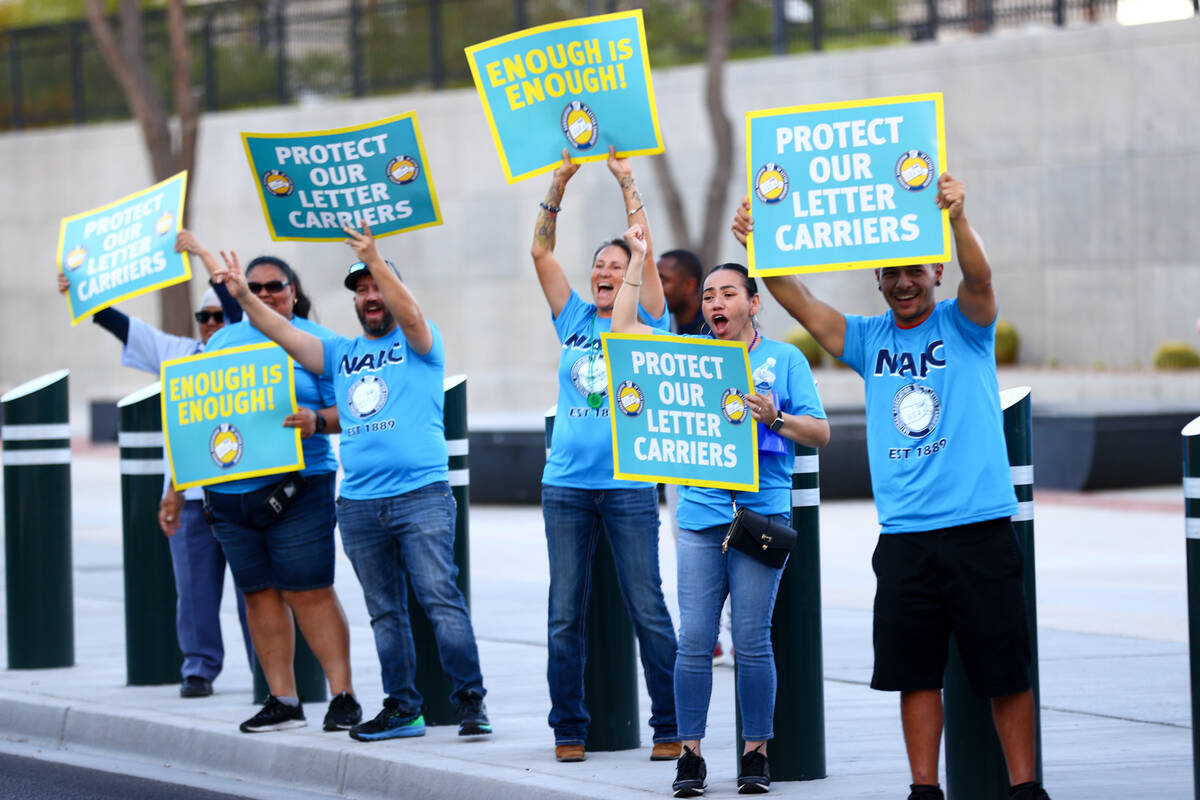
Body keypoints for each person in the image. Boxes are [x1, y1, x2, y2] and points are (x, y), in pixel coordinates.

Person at [732, 173, 1052, 800]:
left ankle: (1026, 789)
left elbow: (982, 281)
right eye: (890, 274)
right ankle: (923, 790)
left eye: (914, 271)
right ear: (877, 281)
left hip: (980, 526)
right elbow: (796, 301)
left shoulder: (967, 324)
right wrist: (760, 245)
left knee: (1005, 671)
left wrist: (959, 219)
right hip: (905, 537)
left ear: (935, 271)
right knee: (915, 675)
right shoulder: (867, 338)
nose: (903, 283)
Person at [212, 225, 493, 742]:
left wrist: (374, 260)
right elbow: (279, 330)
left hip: (420, 497)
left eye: (376, 287)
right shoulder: (339, 353)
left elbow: (408, 311)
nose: (369, 296)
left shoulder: (420, 342)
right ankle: (403, 709)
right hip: (360, 503)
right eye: (361, 290)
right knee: (385, 613)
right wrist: (243, 295)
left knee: (438, 599)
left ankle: (470, 701)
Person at [612, 224, 830, 796]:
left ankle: (755, 754)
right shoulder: (688, 357)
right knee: (694, 639)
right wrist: (638, 258)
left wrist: (776, 419)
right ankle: (690, 755)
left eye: (728, 293)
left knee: (752, 640)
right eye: (708, 296)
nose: (715, 303)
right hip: (702, 516)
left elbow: (822, 432)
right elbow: (623, 330)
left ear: (753, 304)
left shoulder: (785, 361)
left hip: (761, 517)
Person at [530, 147, 680, 763]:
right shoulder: (570, 319)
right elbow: (541, 252)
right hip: (564, 484)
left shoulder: (647, 318)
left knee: (647, 606)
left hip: (627, 486)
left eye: (615, 265)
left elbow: (640, 240)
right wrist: (559, 179)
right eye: (597, 265)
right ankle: (569, 729)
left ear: (633, 275)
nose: (603, 271)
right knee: (565, 612)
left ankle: (670, 725)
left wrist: (626, 182)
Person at [56, 230, 252, 699]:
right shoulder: (180, 355)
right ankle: (199, 669)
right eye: (202, 317)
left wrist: (207, 257)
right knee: (194, 593)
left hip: (245, 497)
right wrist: (85, 295)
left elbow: (241, 310)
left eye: (217, 315)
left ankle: (270, 672)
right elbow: (125, 328)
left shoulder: (251, 351)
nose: (210, 323)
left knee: (256, 594)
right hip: (191, 500)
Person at [200, 249, 361, 735]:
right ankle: (283, 699)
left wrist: (317, 421)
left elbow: (350, 409)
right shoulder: (219, 342)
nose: (267, 293)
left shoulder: (321, 341)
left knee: (309, 591)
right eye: (257, 285)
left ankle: (343, 695)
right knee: (258, 595)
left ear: (294, 292)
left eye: (276, 285)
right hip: (231, 492)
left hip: (299, 486)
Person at [657, 249, 707, 336]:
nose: (655, 287)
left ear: (689, 285)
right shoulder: (657, 323)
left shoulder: (716, 326)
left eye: (662, 280)